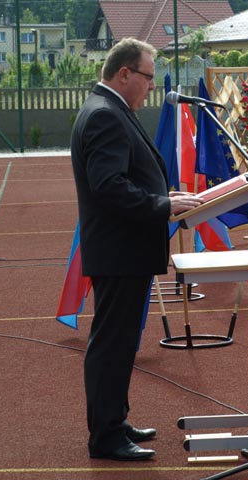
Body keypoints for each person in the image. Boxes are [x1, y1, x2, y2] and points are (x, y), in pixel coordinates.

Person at [70, 38, 203, 461]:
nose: (152, 86)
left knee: (121, 342)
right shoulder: (104, 115)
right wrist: (162, 206)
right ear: (124, 73)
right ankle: (106, 437)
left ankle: (114, 420)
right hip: (119, 251)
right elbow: (108, 186)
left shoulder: (110, 109)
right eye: (148, 77)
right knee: (112, 343)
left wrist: (164, 195)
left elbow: (124, 177)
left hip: (123, 249)